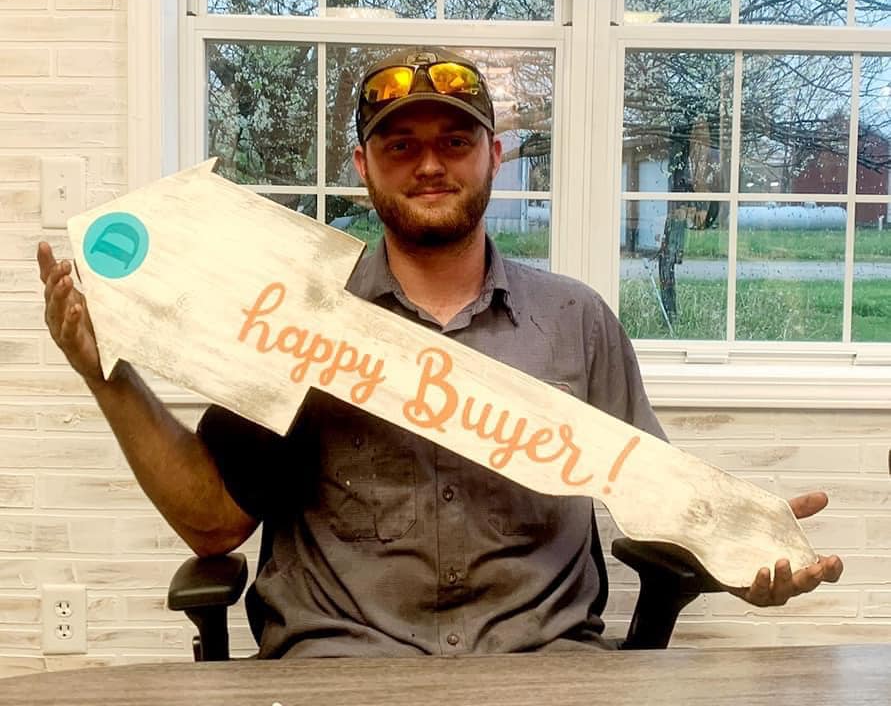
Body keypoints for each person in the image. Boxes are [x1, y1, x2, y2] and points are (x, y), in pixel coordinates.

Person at [38, 46, 843, 658]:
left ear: (495, 155)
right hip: (339, 672)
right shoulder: (294, 319)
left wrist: (745, 552)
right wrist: (105, 374)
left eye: (456, 141)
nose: (429, 164)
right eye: (399, 146)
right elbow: (212, 527)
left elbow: (657, 497)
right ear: (362, 168)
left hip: (544, 671)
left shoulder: (576, 322)